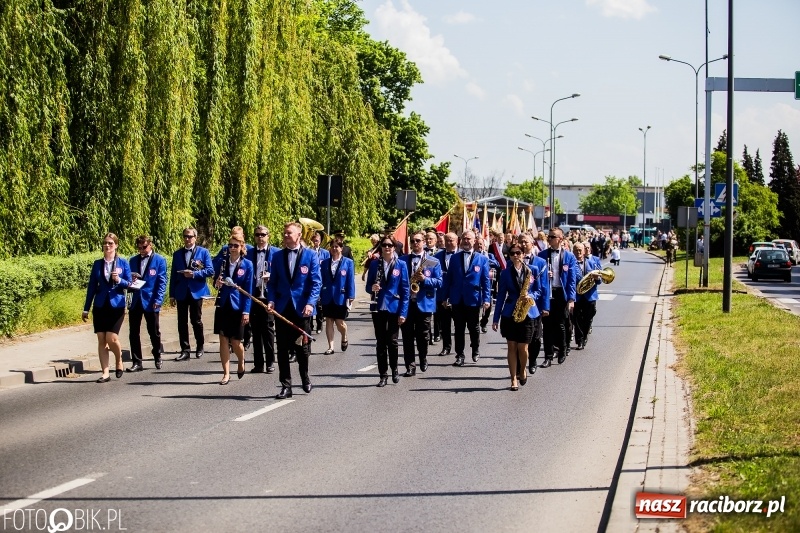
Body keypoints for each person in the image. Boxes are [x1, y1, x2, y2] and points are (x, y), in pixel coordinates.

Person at [267, 222, 322, 399]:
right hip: (283, 308)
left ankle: (305, 378)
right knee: (282, 348)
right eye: (284, 233)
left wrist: (310, 303)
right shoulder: (277, 256)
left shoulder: (311, 255)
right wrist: (271, 300)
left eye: (289, 233)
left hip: (301, 309)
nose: (285, 236)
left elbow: (316, 283)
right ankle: (286, 386)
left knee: (301, 348)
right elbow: (273, 283)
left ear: (299, 235)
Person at [82, 233, 132, 383]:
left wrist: (119, 280)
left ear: (116, 245)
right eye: (105, 243)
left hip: (117, 304)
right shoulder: (98, 264)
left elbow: (130, 284)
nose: (107, 245)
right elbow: (92, 287)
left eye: (110, 243)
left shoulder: (123, 263)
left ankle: (119, 359)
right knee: (101, 338)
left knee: (112, 337)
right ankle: (105, 372)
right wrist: (86, 308)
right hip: (100, 305)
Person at [492, 242, 542, 391]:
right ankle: (513, 378)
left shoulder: (532, 270)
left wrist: (530, 295)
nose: (515, 256)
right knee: (511, 346)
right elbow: (500, 296)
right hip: (510, 313)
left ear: (523, 254)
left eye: (518, 253)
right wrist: (495, 319)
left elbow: (539, 290)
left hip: (528, 313)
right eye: (512, 253)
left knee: (523, 348)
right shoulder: (505, 272)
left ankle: (523, 369)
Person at [441, 230, 491, 367]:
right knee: (458, 328)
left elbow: (486, 281)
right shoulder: (455, 258)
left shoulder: (482, 259)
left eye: (469, 239)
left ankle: (475, 349)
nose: (466, 241)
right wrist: (445, 297)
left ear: (474, 241)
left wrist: (487, 299)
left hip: (473, 298)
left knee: (474, 327)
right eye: (464, 239)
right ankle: (460, 355)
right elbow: (448, 279)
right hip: (457, 298)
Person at [366, 235, 409, 387]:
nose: (387, 248)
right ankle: (382, 375)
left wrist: (403, 313)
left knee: (392, 341)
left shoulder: (401, 264)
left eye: (390, 245)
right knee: (380, 342)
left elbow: (405, 290)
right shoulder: (374, 264)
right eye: (384, 245)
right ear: (381, 247)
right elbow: (367, 286)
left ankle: (395, 369)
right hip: (378, 307)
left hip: (393, 307)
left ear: (394, 247)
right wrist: (372, 287)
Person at [213, 227, 253, 385]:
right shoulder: (222, 262)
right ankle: (226, 373)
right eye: (230, 245)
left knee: (236, 342)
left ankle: (241, 360)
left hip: (238, 306)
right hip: (223, 304)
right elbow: (215, 280)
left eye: (235, 246)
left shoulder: (247, 265)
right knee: (223, 339)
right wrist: (216, 283)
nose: (232, 248)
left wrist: (246, 311)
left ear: (242, 247)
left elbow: (248, 291)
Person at [400, 231, 442, 376]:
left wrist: (425, 279)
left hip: (424, 303)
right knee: (407, 336)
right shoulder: (403, 260)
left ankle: (423, 357)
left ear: (423, 242)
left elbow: (439, 282)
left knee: (423, 336)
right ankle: (410, 366)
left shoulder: (433, 261)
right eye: (412, 241)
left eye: (418, 241)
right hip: (407, 303)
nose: (415, 243)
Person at [170, 227, 214, 361]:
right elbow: (173, 275)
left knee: (196, 320)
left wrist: (194, 274)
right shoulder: (177, 254)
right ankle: (185, 349)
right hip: (181, 291)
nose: (187, 239)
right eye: (185, 236)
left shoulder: (203, 252)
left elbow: (210, 271)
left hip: (196, 291)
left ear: (195, 238)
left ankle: (200, 345)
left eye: (190, 236)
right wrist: (172, 294)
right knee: (181, 321)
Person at [538, 228, 578, 367]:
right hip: (547, 293)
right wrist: (545, 275)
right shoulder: (542, 255)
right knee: (547, 325)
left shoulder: (569, 256)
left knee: (561, 324)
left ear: (560, 239)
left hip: (561, 293)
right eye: (548, 236)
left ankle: (562, 349)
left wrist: (571, 299)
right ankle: (548, 356)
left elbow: (572, 280)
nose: (549, 239)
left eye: (552, 237)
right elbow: (536, 275)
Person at [127, 235, 167, 372]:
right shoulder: (132, 260)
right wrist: (130, 281)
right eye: (139, 248)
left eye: (144, 247)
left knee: (154, 331)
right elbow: (127, 282)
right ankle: (137, 362)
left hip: (151, 300)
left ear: (150, 245)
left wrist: (158, 300)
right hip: (136, 299)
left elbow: (162, 282)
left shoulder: (159, 260)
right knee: (133, 332)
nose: (142, 250)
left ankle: (157, 355)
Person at [246, 225, 280, 374]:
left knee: (268, 329)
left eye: (263, 235)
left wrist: (271, 276)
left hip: (268, 295)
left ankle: (270, 362)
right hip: (254, 294)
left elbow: (281, 274)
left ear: (268, 236)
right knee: (256, 329)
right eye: (257, 235)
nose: (260, 237)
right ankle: (258, 363)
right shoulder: (249, 253)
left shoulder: (276, 253)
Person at [519, 233, 549, 374]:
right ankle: (520, 365)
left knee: (535, 337)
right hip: (518, 306)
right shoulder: (514, 260)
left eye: (526, 242)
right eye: (521, 242)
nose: (523, 244)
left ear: (532, 243)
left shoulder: (541, 262)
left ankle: (533, 360)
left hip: (534, 306)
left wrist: (545, 306)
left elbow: (544, 287)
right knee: (520, 337)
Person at [320, 239, 356, 354]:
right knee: (329, 320)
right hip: (327, 295)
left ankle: (344, 335)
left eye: (337, 246)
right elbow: (321, 279)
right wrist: (319, 294)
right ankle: (331, 347)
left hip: (341, 295)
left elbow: (350, 280)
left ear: (341, 248)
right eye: (332, 246)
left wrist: (351, 295)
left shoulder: (348, 262)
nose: (334, 248)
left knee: (340, 323)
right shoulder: (325, 262)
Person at [573, 242, 602, 351]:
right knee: (577, 319)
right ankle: (580, 340)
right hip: (577, 295)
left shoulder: (593, 262)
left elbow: (600, 281)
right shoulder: (572, 263)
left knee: (589, 317)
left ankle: (585, 335)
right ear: (573, 251)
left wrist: (596, 278)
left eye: (580, 250)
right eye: (576, 250)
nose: (579, 252)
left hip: (590, 295)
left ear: (585, 251)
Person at [434, 232, 458, 355]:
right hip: (442, 295)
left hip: (458, 296)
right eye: (446, 240)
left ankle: (460, 350)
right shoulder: (437, 256)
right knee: (444, 324)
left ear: (456, 241)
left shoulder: (462, 255)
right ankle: (446, 347)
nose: (448, 243)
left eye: (451, 241)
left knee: (459, 325)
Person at [310, 230, 331, 334]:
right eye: (314, 240)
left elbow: (328, 267)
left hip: (322, 281)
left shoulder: (325, 253)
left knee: (319, 305)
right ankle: (310, 325)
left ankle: (319, 324)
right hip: (311, 281)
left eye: (317, 240)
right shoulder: (308, 251)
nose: (315, 242)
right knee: (310, 303)